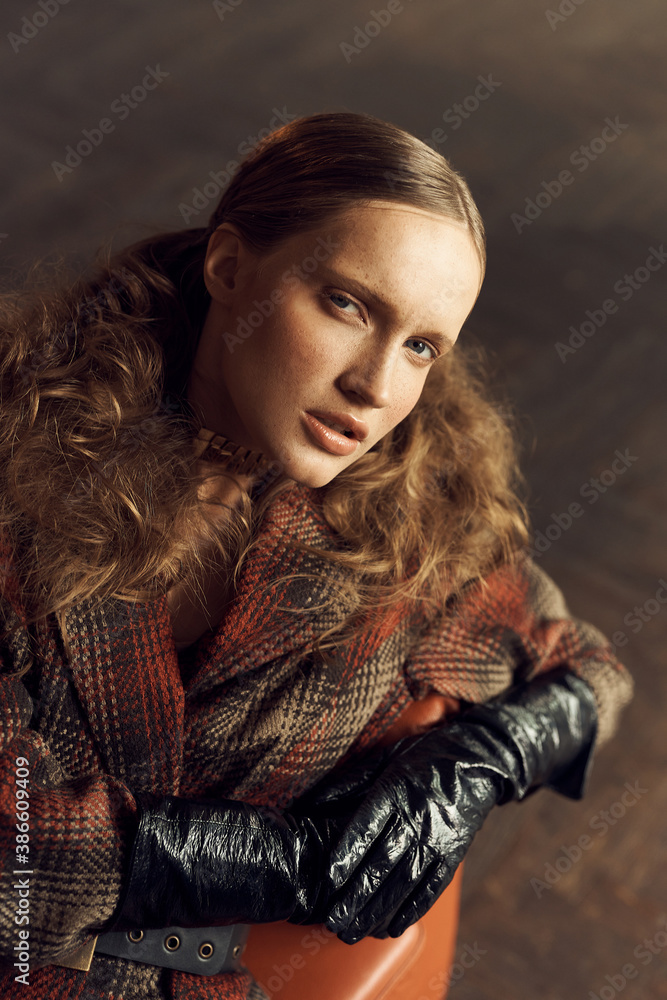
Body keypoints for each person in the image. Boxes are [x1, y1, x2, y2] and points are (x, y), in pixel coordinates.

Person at [0, 112, 633, 1000]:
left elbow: (586, 674)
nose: (376, 388)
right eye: (346, 304)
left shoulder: (414, 519)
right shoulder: (17, 470)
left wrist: (468, 768)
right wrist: (296, 865)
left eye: (420, 346)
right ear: (231, 268)